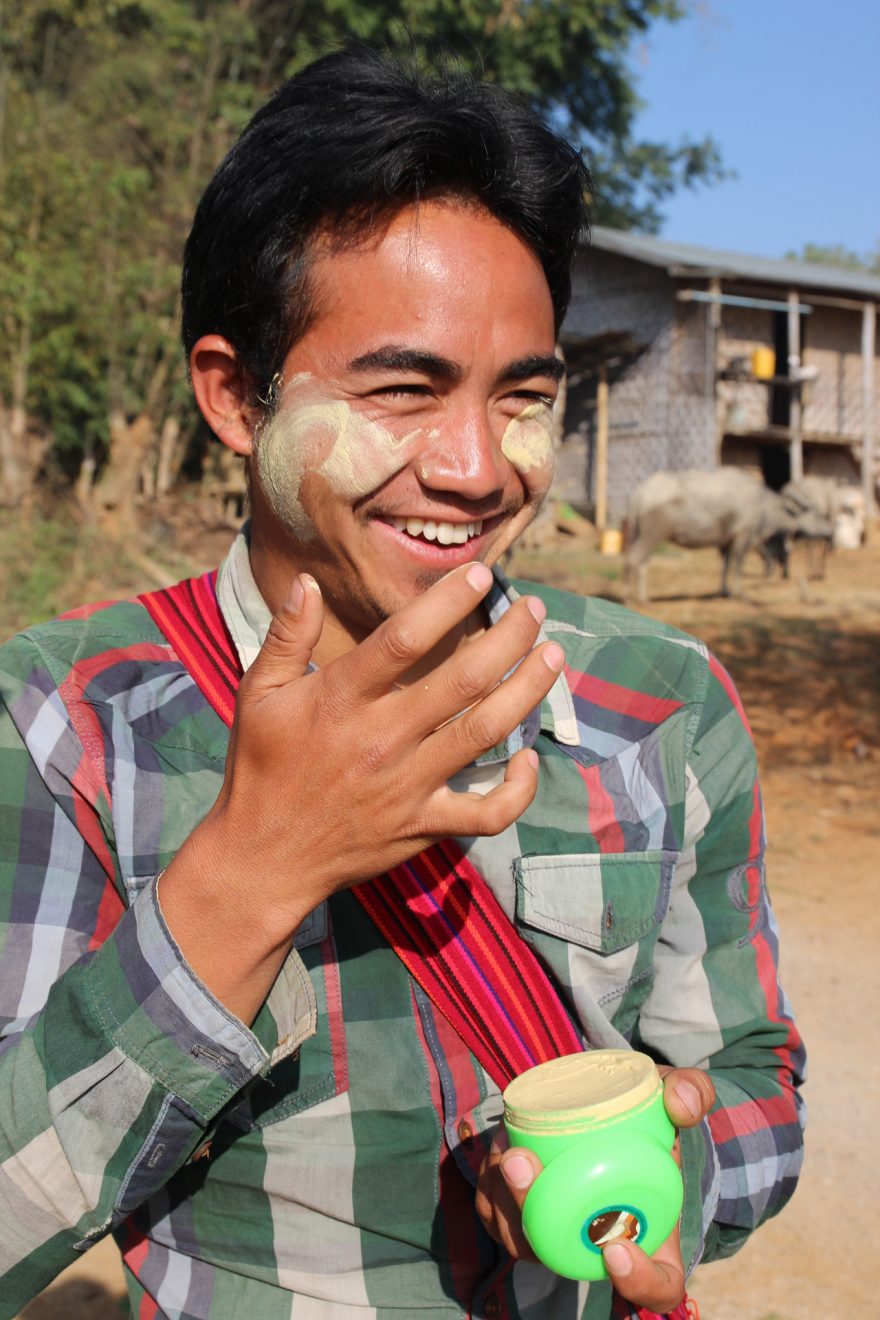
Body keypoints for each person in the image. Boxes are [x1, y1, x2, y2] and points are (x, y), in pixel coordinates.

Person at [0, 45, 804, 1320]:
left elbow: (756, 1079)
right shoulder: (64, 722)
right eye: (402, 390)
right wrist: (250, 873)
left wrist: (669, 1158)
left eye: (523, 396)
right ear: (233, 396)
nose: (480, 469)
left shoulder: (662, 702)